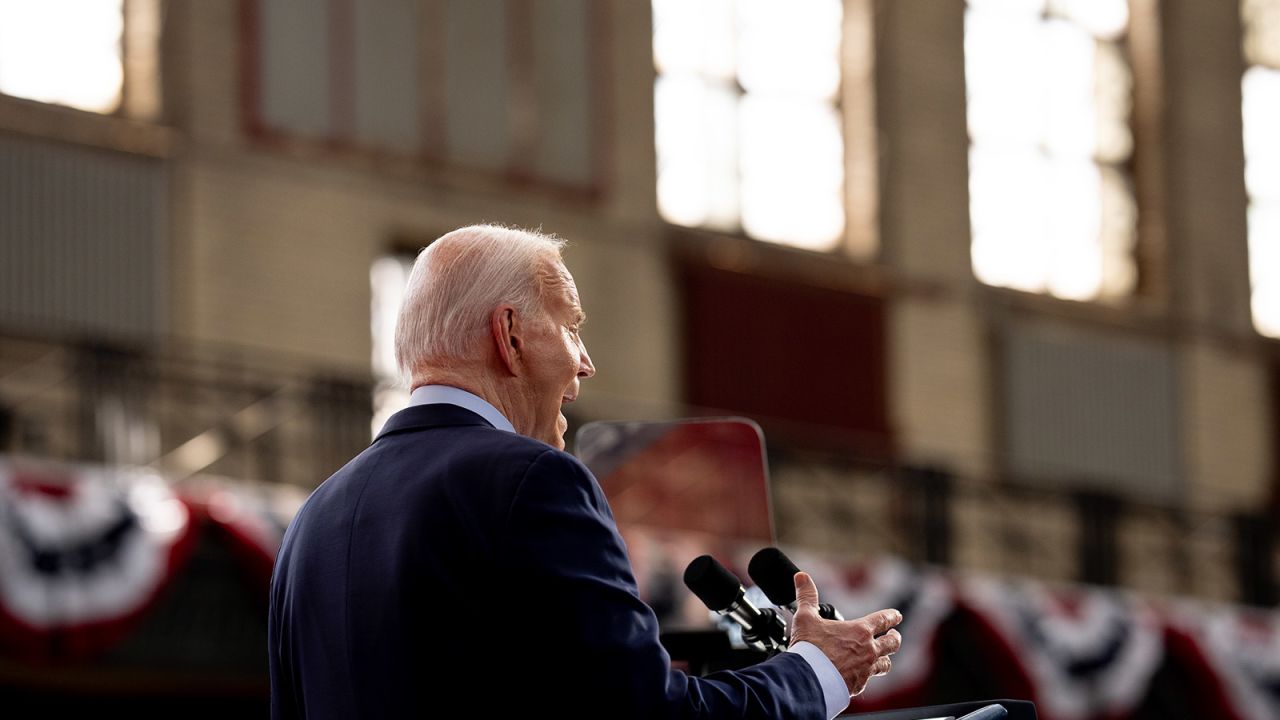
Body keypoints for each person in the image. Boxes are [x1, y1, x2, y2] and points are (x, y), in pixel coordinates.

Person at [268, 224, 903, 719]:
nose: (586, 363)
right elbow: (644, 717)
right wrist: (816, 670)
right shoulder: (532, 480)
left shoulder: (312, 520)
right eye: (571, 326)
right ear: (510, 336)